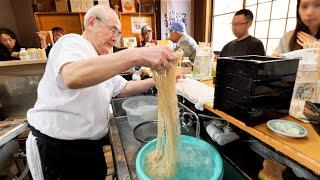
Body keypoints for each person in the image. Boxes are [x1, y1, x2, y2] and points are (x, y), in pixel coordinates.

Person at [26, 5, 176, 180]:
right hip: (58, 149)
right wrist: (137, 55)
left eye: (118, 34)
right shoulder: (72, 42)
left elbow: (124, 87)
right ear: (91, 23)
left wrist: (162, 80)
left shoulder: (99, 62)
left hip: (88, 148)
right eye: (113, 30)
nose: (115, 38)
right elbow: (71, 76)